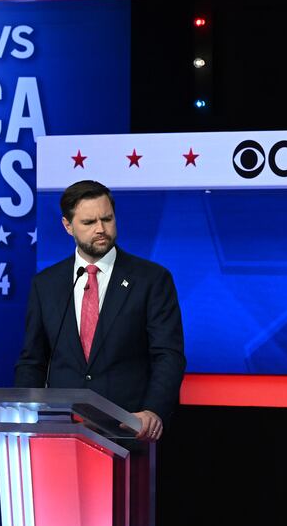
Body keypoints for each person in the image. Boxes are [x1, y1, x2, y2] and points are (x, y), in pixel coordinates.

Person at [14, 180, 185, 442]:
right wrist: (25, 414)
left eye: (107, 219)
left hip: (129, 430)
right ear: (67, 226)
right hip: (61, 432)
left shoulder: (151, 279)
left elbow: (168, 355)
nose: (101, 229)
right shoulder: (46, 284)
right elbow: (32, 361)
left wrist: (153, 411)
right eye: (89, 222)